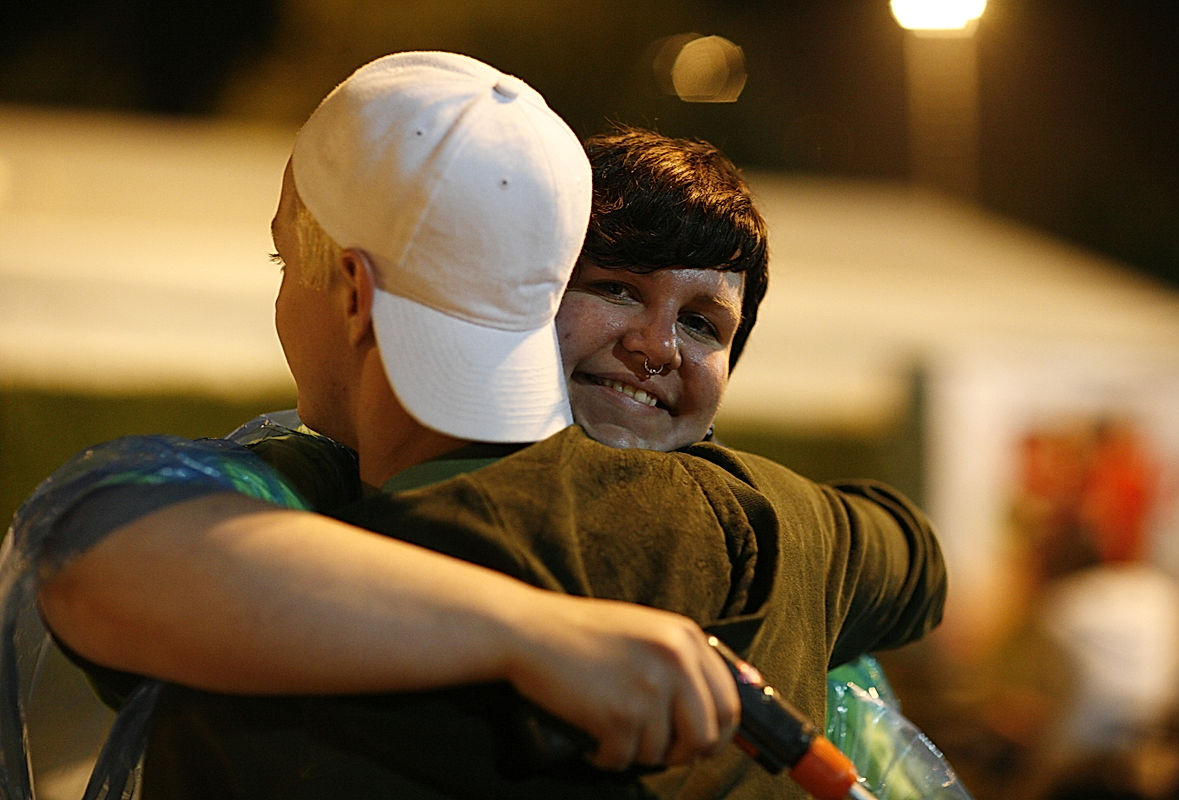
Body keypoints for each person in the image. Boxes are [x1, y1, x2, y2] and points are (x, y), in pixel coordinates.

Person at [18, 55, 947, 799]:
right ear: (532, 294)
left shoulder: (277, 627)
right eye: (616, 288)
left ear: (351, 291)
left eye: (704, 325)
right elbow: (912, 556)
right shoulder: (781, 527)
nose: (657, 347)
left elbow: (91, 552)